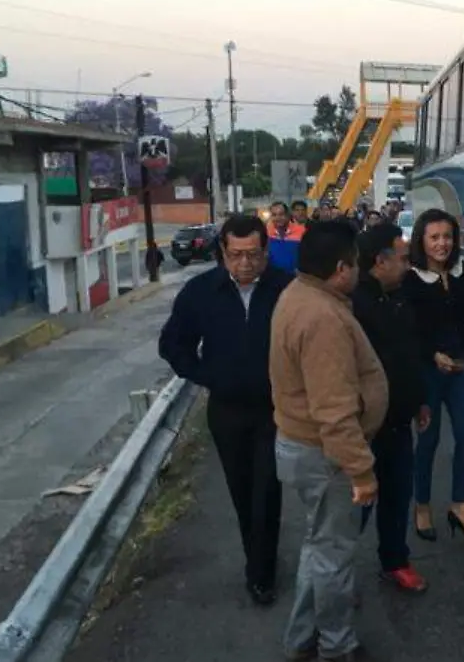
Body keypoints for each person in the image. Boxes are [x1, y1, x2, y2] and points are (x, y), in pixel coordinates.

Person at [158, 214, 291, 607]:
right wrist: (208, 376)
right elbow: (173, 345)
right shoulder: (201, 292)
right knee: (242, 490)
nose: (245, 263)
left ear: (265, 252)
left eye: (253, 255)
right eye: (236, 255)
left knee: (267, 491)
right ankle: (256, 559)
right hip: (227, 412)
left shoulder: (286, 289)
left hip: (275, 411)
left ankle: (262, 574)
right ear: (223, 253)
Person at [270, 219, 388, 662]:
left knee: (318, 548)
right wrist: (361, 470)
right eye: (356, 263)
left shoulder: (300, 294)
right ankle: (337, 647)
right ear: (341, 269)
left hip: (304, 446)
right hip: (323, 454)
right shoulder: (323, 318)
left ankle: (301, 639)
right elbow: (334, 411)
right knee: (333, 556)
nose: (359, 270)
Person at [402, 208, 464, 543]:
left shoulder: (460, 271)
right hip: (427, 371)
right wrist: (432, 354)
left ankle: (460, 505)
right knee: (428, 440)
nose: (442, 243)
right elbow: (409, 328)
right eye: (434, 237)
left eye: (447, 237)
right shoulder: (410, 278)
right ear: (421, 240)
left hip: (458, 367)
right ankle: (422, 505)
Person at [352, 223, 431, 593]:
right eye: (401, 258)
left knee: (398, 495)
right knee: (357, 505)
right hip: (365, 427)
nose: (407, 264)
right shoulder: (354, 304)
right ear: (379, 262)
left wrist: (419, 400)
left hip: (399, 420)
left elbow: (410, 354)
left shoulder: (400, 296)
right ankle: (337, 577)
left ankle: (395, 560)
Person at [267, 201, 305, 274]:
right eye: (274, 215)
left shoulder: (302, 231)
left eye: (281, 214)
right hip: (272, 276)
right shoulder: (267, 232)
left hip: (296, 277)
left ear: (288, 215)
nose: (278, 218)